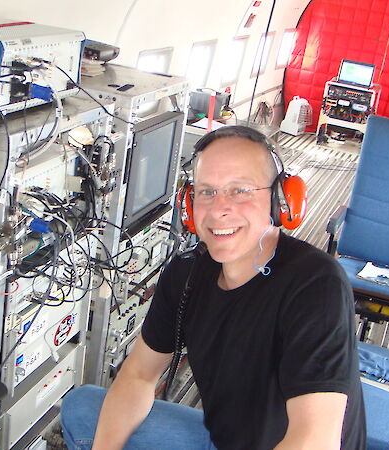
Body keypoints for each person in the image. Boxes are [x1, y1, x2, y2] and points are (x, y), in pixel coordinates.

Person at [61, 125, 365, 449]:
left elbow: (314, 439)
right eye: (207, 192)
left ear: (281, 201)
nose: (219, 209)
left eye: (240, 190)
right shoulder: (185, 274)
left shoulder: (316, 284)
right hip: (223, 438)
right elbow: (138, 375)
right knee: (82, 408)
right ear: (189, 205)